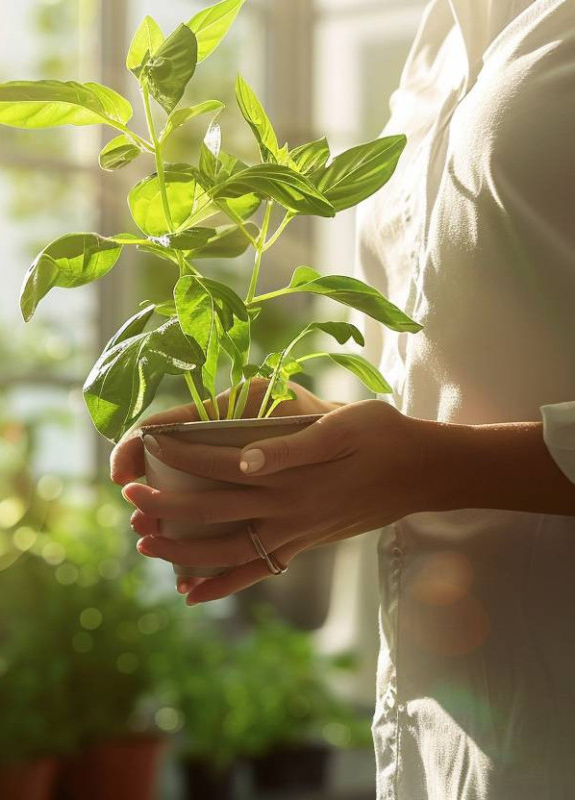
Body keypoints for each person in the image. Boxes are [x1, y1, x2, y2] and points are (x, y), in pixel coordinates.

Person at [108, 1, 575, 798]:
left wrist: (430, 467)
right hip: (448, 742)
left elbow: (435, 452)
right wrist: (320, 450)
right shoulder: (442, 36)